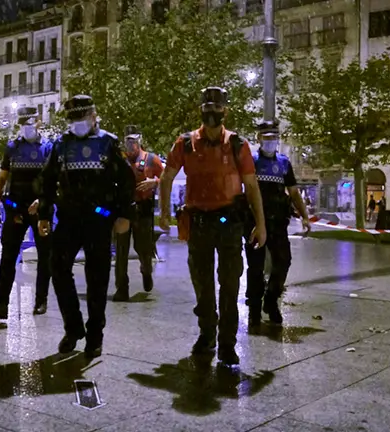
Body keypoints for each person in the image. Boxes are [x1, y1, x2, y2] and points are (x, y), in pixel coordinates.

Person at [158, 87, 266, 365]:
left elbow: (252, 186)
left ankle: (227, 343)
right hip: (199, 224)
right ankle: (207, 336)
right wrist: (163, 212)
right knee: (203, 286)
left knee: (229, 286)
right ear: (201, 110)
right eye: (208, 107)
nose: (212, 113)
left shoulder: (238, 144)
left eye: (217, 108)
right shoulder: (184, 143)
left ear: (225, 111)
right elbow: (166, 177)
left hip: (230, 222)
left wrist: (260, 225)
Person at [36, 95, 136, 358]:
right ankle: (73, 327)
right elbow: (47, 182)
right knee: (57, 267)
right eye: (73, 119)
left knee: (97, 278)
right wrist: (44, 214)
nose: (78, 123)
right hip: (68, 217)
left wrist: (124, 215)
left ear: (93, 116)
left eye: (82, 117)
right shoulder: (61, 145)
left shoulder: (108, 143)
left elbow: (126, 181)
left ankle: (95, 335)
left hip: (99, 218)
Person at [0, 107, 53, 318]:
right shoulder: (12, 148)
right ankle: (2, 304)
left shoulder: (48, 148)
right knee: (8, 256)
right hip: (15, 207)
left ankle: (40, 301)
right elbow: (2, 178)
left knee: (45, 256)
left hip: (40, 209)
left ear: (38, 123)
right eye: (23, 125)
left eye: (30, 125)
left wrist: (42, 201)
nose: (27, 129)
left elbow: (52, 181)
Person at [244, 120, 311, 326]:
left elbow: (293, 192)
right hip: (254, 223)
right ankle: (254, 308)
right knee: (255, 267)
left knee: (283, 262)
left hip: (278, 222)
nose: (271, 141)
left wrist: (304, 215)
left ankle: (271, 300)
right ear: (259, 139)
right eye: (266, 137)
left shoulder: (283, 163)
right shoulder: (251, 161)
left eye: (274, 137)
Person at [113, 125, 164, 302]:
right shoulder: (118, 160)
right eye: (128, 140)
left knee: (144, 249)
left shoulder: (151, 159)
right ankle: (121, 288)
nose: (131, 144)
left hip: (143, 210)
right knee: (121, 251)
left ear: (139, 140)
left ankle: (146, 271)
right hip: (123, 210)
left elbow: (166, 177)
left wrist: (154, 181)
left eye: (134, 140)